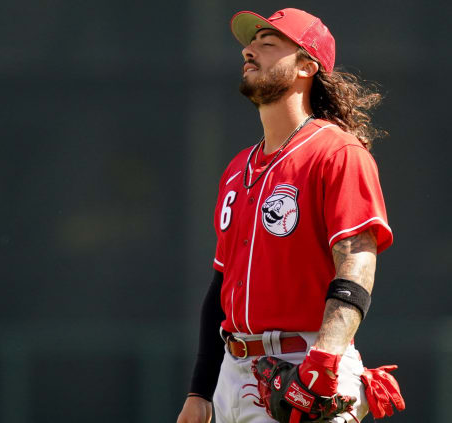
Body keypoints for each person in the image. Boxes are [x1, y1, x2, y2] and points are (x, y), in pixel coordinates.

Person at [177, 8, 404, 423]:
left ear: (306, 65)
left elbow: (357, 259)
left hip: (304, 365)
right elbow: (221, 286)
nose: (249, 51)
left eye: (268, 44)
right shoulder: (236, 169)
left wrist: (326, 358)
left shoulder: (337, 152)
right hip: (233, 371)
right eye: (250, 44)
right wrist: (200, 389)